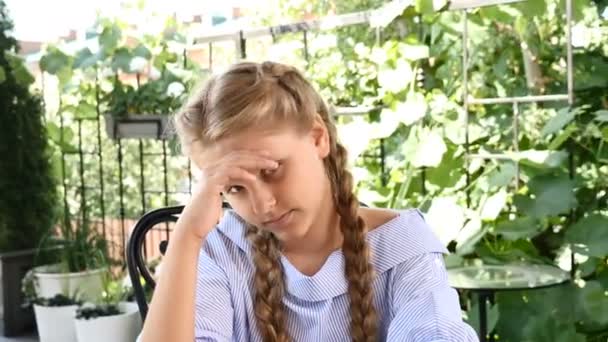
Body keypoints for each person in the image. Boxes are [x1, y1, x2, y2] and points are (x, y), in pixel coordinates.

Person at [138, 61, 478, 342]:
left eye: (271, 170)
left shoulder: (400, 245)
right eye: (234, 189)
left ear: (318, 138)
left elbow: (435, 331)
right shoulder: (221, 251)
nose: (262, 205)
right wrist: (187, 237)